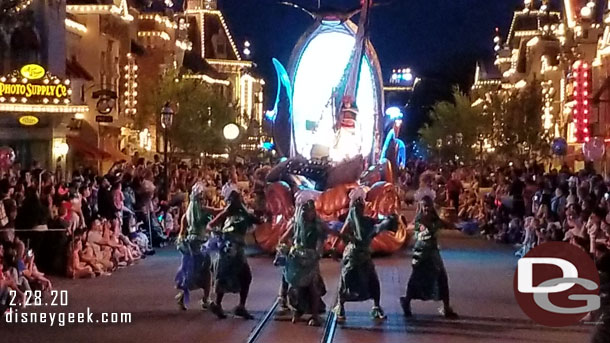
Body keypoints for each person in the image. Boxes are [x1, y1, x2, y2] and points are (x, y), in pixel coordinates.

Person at [334, 192, 397, 323]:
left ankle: (376, 306)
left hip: (364, 256)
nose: (360, 209)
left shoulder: (367, 221)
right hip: (352, 255)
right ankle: (340, 305)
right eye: (357, 207)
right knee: (346, 280)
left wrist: (387, 221)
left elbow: (377, 226)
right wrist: (335, 247)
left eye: (361, 206)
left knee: (372, 280)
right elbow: (342, 234)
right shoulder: (351, 220)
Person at [280, 200, 338, 326]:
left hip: (311, 260)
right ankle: (296, 310)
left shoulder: (318, 224)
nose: (306, 214)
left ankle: (315, 315)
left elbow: (330, 232)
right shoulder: (296, 224)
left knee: (313, 287)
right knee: (294, 286)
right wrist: (286, 249)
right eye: (304, 211)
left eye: (309, 211)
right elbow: (283, 238)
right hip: (297, 260)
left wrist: (336, 243)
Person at [400, 196, 458, 319]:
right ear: (421, 206)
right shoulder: (420, 220)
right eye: (424, 205)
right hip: (422, 254)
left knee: (442, 278)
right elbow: (422, 231)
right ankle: (407, 301)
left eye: (428, 205)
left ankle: (446, 307)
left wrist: (453, 225)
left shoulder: (433, 218)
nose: (426, 208)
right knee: (416, 279)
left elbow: (443, 224)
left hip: (433, 253)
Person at [207, 191, 261, 320]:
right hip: (227, 248)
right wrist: (216, 232)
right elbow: (210, 225)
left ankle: (239, 306)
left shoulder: (244, 213)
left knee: (245, 276)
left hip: (238, 249)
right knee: (225, 275)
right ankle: (219, 304)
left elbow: (257, 220)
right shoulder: (227, 212)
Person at [174, 182, 217, 310]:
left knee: (192, 271)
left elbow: (182, 229)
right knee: (206, 271)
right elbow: (216, 213)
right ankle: (206, 299)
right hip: (200, 243)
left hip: (191, 242)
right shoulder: (203, 209)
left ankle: (183, 296)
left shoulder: (188, 212)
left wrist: (182, 239)